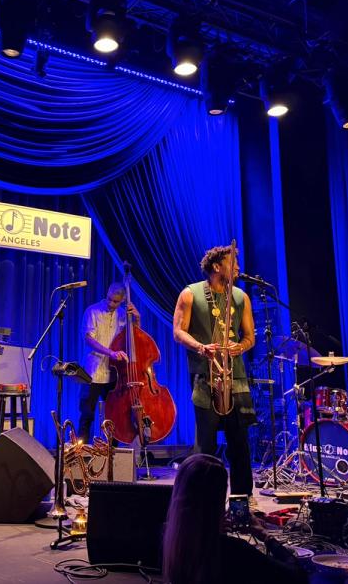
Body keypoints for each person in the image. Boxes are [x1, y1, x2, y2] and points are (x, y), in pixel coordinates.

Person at [173, 244, 256, 494]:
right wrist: (201, 347)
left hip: (236, 377)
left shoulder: (241, 297)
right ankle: (200, 497)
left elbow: (250, 337)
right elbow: (178, 332)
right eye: (233, 262)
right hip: (204, 375)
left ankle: (242, 498)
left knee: (239, 440)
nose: (239, 267)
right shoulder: (190, 294)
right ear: (217, 267)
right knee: (205, 442)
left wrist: (239, 347)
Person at [162, 453, 306, 584]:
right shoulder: (235, 551)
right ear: (219, 499)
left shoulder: (170, 543)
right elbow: (296, 576)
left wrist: (213, 529)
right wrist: (265, 535)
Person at [78, 282, 140, 442]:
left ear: (122, 301)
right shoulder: (92, 311)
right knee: (87, 414)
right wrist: (111, 353)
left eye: (116, 301)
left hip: (114, 375)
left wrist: (137, 318)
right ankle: (81, 451)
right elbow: (88, 339)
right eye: (109, 299)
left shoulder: (122, 314)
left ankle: (112, 452)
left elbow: (134, 337)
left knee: (114, 415)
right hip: (93, 372)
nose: (111, 304)